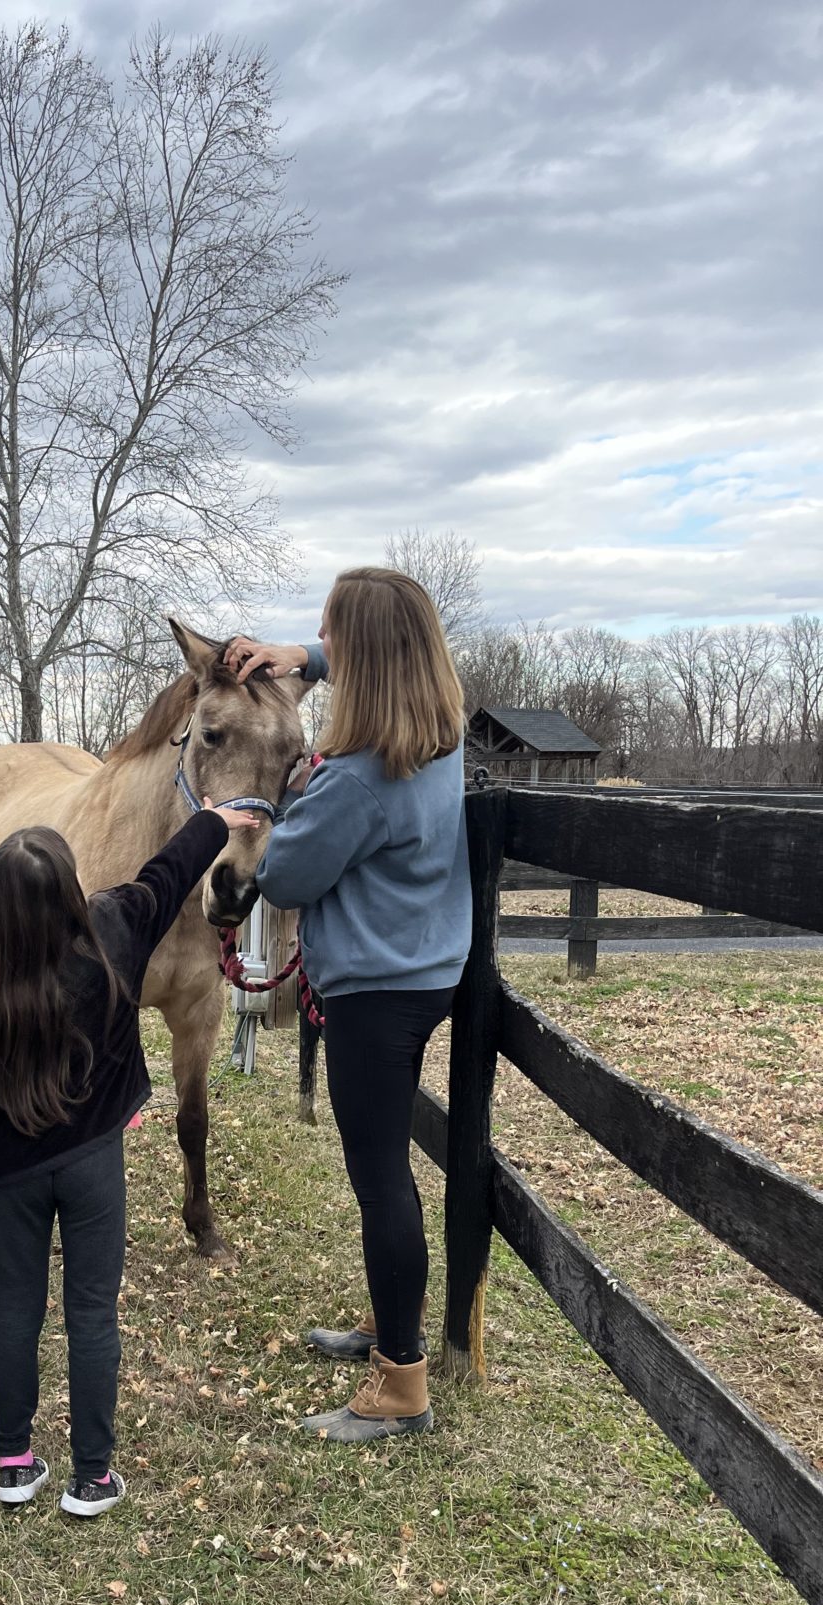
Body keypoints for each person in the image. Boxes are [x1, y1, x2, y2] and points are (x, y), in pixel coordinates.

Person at [0, 802, 260, 1515]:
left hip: (14, 1173)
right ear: (70, 890)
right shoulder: (113, 932)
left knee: (14, 1311)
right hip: (93, 1164)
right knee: (92, 1314)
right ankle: (92, 1475)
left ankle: (15, 1462)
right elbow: (165, 875)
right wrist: (210, 822)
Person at [225, 566, 470, 1444]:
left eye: (332, 636)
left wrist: (261, 826)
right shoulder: (444, 736)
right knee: (388, 1167)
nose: (321, 650)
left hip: (372, 988)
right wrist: (308, 655)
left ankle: (399, 1379)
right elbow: (382, 649)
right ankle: (391, 1320)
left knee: (378, 1175)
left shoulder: (355, 779)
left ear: (362, 657)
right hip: (427, 969)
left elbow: (286, 876)